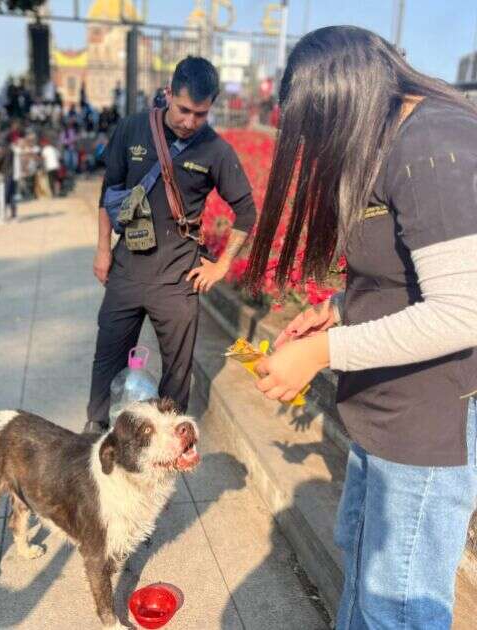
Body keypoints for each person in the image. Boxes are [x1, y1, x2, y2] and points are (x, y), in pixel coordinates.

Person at [247, 26, 477, 630]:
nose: (317, 153)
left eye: (317, 130)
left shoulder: (434, 142)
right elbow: (403, 276)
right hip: (385, 410)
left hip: (427, 427)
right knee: (365, 575)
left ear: (346, 99)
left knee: (396, 604)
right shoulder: (389, 141)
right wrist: (342, 310)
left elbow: (463, 310)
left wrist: (328, 349)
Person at [85, 56, 256, 432]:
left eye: (201, 113)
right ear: (167, 95)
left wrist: (221, 265)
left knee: (177, 373)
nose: (190, 122)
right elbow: (108, 191)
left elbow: (246, 211)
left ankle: (168, 445)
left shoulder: (216, 150)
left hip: (178, 280)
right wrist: (102, 250)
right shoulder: (131, 129)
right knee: (106, 360)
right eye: (183, 110)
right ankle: (96, 435)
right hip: (126, 270)